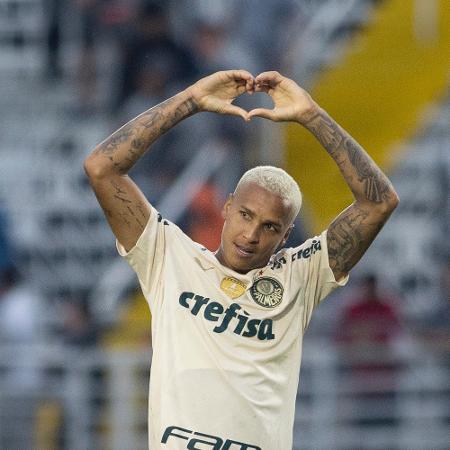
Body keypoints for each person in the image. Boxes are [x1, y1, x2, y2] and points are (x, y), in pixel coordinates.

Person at [84, 70, 399, 449]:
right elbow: (102, 168)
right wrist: (190, 99)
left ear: (286, 235)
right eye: (246, 215)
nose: (251, 235)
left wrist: (311, 114)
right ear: (228, 206)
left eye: (270, 227)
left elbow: (379, 201)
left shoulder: (302, 276)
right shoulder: (169, 257)